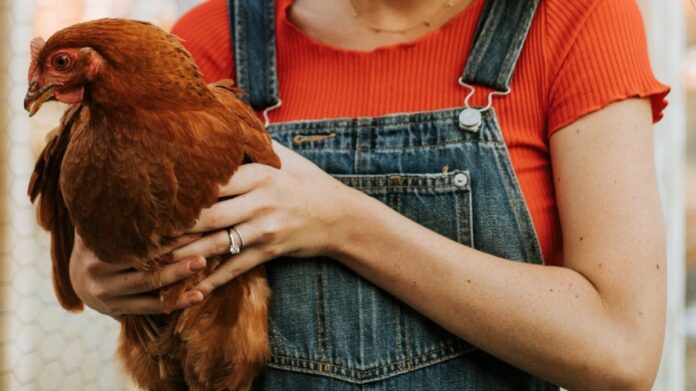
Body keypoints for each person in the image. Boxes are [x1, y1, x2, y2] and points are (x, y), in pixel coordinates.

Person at [67, 0, 670, 389]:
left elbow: (619, 349)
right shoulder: (210, 38)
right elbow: (110, 260)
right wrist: (102, 274)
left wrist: (342, 223)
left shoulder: (577, 20)